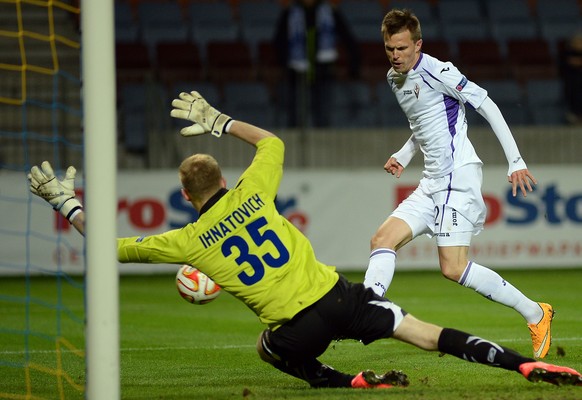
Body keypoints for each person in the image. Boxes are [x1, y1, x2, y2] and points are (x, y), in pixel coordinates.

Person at [28, 91, 582, 389]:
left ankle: (346, 383)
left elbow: (107, 246)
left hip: (297, 331)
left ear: (183, 193)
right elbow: (270, 142)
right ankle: (520, 367)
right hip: (341, 298)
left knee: (269, 350)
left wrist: (68, 204)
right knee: (429, 333)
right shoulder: (254, 191)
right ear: (222, 179)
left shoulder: (186, 242)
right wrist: (221, 121)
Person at [363, 9, 554, 359]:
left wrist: (516, 161)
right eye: (390, 48)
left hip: (458, 178)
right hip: (432, 181)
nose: (395, 55)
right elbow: (424, 124)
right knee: (382, 239)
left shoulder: (440, 71)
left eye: (402, 48)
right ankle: (365, 310)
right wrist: (405, 154)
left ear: (418, 44)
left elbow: (487, 105)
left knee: (452, 267)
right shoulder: (394, 77)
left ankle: (536, 313)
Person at [273, 0, 360, 127]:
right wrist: (284, 63)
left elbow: (347, 38)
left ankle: (323, 138)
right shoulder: (290, 12)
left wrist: (354, 64)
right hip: (296, 70)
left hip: (323, 69)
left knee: (323, 110)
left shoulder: (329, 11)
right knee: (295, 110)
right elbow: (279, 40)